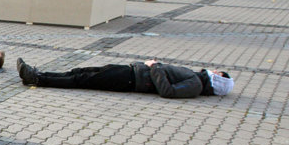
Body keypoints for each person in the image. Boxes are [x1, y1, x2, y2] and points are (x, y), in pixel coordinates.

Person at [16, 57, 235, 98]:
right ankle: (39, 74)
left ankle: (37, 79)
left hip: (133, 80)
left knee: (81, 79)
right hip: (133, 72)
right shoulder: (197, 78)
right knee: (80, 73)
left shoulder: (195, 85)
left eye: (220, 74)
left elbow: (167, 91)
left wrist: (155, 66)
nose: (216, 71)